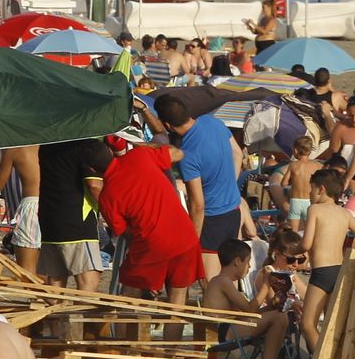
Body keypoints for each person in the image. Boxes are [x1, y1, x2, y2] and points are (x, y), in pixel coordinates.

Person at [94, 136, 202, 307]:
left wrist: (147, 270)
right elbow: (178, 153)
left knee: (129, 296)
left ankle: (127, 323)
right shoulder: (139, 155)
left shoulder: (107, 197)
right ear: (109, 151)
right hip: (184, 235)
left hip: (152, 243)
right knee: (178, 303)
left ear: (92, 169)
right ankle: (174, 321)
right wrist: (144, 145)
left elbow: (127, 235)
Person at [156, 94, 245, 278]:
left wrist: (192, 241)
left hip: (212, 220)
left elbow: (198, 205)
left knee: (211, 285)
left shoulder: (187, 154)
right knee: (228, 282)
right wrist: (229, 184)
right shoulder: (212, 121)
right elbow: (238, 154)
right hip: (234, 211)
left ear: (167, 125)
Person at [299, 169, 355, 352]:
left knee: (307, 324)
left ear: (321, 189)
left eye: (311, 189)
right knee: (332, 327)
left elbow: (306, 244)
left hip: (321, 272)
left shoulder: (314, 209)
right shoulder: (344, 213)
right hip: (340, 271)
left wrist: (292, 250)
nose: (309, 193)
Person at [36, 138, 107, 291]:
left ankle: (51, 308)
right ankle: (78, 311)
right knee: (88, 281)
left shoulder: (48, 145)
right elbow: (94, 185)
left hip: (49, 218)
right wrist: (113, 211)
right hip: (78, 220)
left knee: (55, 283)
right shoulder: (86, 147)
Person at [204, 238, 288, 359]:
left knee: (278, 314)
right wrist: (266, 285)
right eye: (248, 262)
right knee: (280, 317)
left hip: (228, 327)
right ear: (238, 261)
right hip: (223, 331)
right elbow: (250, 310)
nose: (249, 266)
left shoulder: (224, 282)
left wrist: (271, 306)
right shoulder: (223, 281)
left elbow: (249, 314)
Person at [0, 145, 41, 273]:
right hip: (54, 205)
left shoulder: (16, 150)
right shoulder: (53, 147)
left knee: (26, 271)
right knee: (47, 271)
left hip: (32, 205)